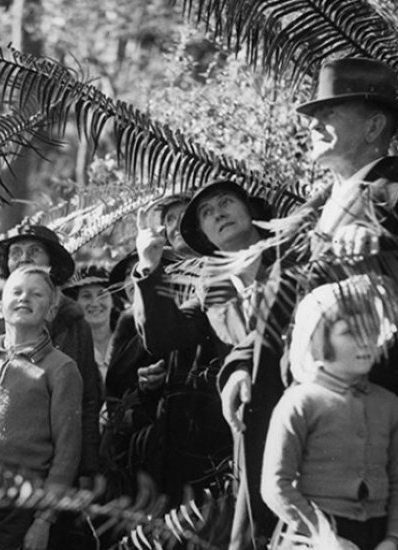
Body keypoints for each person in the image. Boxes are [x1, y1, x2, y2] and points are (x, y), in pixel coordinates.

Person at [218, 57, 398, 548]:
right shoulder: (309, 212)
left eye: (331, 112)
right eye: (313, 114)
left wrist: (378, 255)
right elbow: (275, 301)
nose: (313, 124)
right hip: (282, 417)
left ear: (373, 125)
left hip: (356, 438)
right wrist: (242, 364)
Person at [130, 181, 272, 521]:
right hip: (247, 422)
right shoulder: (211, 284)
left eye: (225, 202)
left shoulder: (293, 254)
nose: (218, 213)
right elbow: (165, 337)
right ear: (205, 235)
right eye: (207, 213)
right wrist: (148, 265)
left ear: (250, 211)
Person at [261, 276, 398, 550]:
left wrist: (394, 537)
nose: (365, 341)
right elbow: (275, 484)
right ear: (320, 339)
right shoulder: (300, 402)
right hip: (312, 535)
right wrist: (324, 537)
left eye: (370, 330)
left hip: (376, 536)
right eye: (349, 333)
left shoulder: (388, 404)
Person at [0, 224, 101, 486]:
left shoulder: (74, 321)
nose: (24, 257)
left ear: (51, 263)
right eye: (17, 252)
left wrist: (88, 468)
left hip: (47, 471)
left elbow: (89, 399)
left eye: (34, 251)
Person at [0, 265, 83, 550]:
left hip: (24, 501)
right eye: (16, 292)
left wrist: (44, 520)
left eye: (36, 294)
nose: (24, 299)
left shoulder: (60, 369)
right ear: (1, 308)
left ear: (50, 312)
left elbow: (67, 451)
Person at [62, 264, 119, 385]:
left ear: (113, 300)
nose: (95, 303)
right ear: (76, 303)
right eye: (86, 296)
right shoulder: (67, 347)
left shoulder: (130, 340)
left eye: (102, 294)